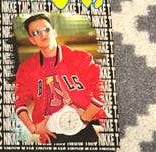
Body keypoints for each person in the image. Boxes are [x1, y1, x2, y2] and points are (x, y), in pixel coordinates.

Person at [13, 13, 106, 144]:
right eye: (36, 32)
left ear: (54, 32)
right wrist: (32, 128)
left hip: (83, 127)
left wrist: (86, 117)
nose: (43, 34)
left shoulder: (80, 58)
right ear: (32, 40)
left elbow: (102, 88)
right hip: (50, 133)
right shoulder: (26, 68)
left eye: (46, 29)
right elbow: (18, 101)